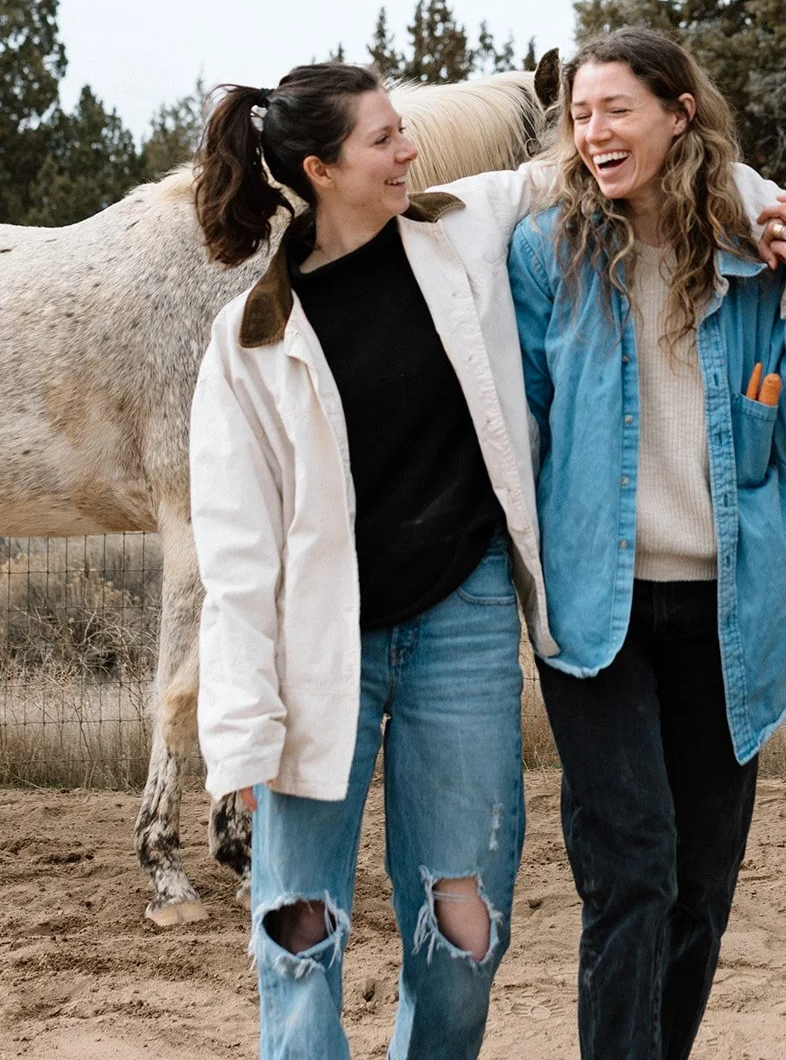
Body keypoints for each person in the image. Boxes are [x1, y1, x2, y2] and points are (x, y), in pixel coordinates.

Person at [507, 28, 786, 1060]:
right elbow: (522, 421)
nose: (593, 131)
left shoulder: (758, 260)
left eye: (614, 108)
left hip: (728, 612)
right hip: (594, 609)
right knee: (632, 870)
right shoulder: (549, 253)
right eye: (579, 115)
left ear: (676, 111)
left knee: (700, 884)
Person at [188, 62, 557, 1060]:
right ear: (320, 167)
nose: (410, 150)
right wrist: (245, 734)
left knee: (465, 920)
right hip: (318, 659)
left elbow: (588, 164)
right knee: (297, 927)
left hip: (461, 622)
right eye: (385, 138)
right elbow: (234, 556)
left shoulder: (460, 230)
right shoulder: (250, 340)